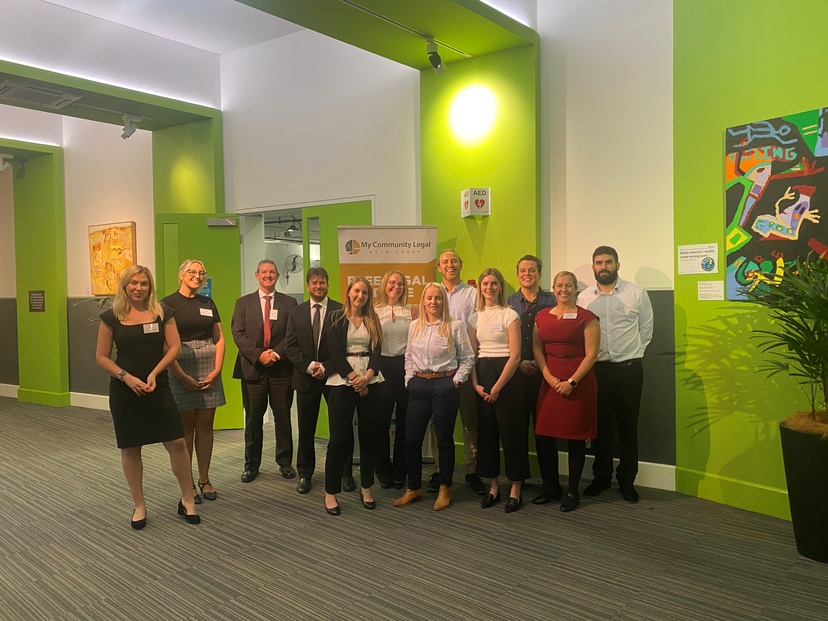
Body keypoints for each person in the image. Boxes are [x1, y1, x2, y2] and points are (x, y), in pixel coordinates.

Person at [95, 265, 200, 528]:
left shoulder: (162, 313)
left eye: (143, 284)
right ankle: (139, 505)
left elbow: (174, 348)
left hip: (158, 386)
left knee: (177, 443)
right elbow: (101, 357)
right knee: (130, 448)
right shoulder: (111, 317)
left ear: (149, 286)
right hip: (124, 390)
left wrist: (154, 373)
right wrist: (126, 377)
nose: (138, 288)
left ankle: (188, 499)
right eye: (133, 283)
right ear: (125, 286)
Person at [578, 246, 654, 502]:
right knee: (600, 428)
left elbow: (646, 329)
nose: (603, 267)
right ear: (593, 267)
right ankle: (601, 478)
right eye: (598, 262)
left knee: (628, 427)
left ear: (617, 265)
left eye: (608, 262)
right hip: (597, 371)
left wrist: (633, 353)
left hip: (629, 371)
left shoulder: (636, 293)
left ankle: (626, 480)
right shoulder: (584, 298)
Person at [395, 283, 474, 511]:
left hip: (444, 385)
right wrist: (409, 378)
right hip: (418, 385)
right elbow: (408, 355)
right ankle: (414, 487)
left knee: (444, 439)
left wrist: (456, 381)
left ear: (444, 301)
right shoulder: (414, 326)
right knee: (411, 439)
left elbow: (467, 358)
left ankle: (445, 487)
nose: (433, 302)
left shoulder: (455, 326)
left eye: (438, 298)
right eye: (429, 298)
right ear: (423, 301)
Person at [533, 270, 600, 512]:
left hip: (578, 384)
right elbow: (538, 350)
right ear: (553, 288)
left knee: (576, 437)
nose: (564, 289)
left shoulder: (588, 318)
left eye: (569, 285)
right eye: (560, 285)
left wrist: (571, 382)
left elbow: (592, 354)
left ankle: (572, 490)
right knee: (543, 435)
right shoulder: (541, 316)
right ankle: (551, 487)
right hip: (549, 382)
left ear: (575, 289)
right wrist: (549, 378)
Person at [284, 267, 353, 495]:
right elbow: (290, 346)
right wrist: (308, 366)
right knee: (306, 429)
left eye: (322, 282)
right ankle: (305, 473)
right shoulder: (297, 312)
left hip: (334, 376)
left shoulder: (340, 311)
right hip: (305, 377)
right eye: (314, 283)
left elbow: (344, 348)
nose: (318, 286)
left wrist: (326, 367)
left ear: (328, 284)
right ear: (307, 286)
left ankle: (345, 473)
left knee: (340, 429)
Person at [162, 260, 226, 505]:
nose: (197, 276)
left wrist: (217, 369)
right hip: (181, 364)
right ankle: (187, 483)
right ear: (181, 274)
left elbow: (219, 339)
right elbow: (166, 344)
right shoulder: (167, 304)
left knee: (206, 424)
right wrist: (179, 375)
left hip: (209, 364)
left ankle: (205, 478)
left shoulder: (207, 302)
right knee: (186, 426)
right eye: (192, 272)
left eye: (201, 273)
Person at [322, 277, 385, 515]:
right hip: (342, 381)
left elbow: (378, 352)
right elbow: (335, 353)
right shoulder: (336, 318)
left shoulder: (373, 319)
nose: (361, 296)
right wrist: (353, 378)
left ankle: (366, 487)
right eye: (357, 291)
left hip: (371, 381)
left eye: (365, 293)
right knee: (339, 439)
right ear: (348, 293)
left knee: (369, 437)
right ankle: (330, 492)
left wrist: (366, 378)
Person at [231, 259, 297, 483]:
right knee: (253, 421)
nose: (268, 275)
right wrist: (259, 355)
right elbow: (238, 334)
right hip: (253, 369)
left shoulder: (290, 303)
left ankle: (285, 462)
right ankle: (251, 465)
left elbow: (292, 334)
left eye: (272, 272)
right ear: (256, 275)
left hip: (282, 371)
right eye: (264, 272)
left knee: (283, 419)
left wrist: (276, 354)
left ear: (277, 276)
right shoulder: (243, 303)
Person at [468, 268, 527, 512]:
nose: (489, 288)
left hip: (508, 377)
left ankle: (515, 488)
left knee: (512, 434)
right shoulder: (474, 318)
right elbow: (471, 355)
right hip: (482, 374)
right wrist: (475, 384)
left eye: (494, 283)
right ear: (480, 288)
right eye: (485, 283)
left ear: (501, 287)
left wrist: (497, 387)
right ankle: (493, 486)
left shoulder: (510, 315)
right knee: (488, 434)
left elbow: (515, 356)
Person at [429, 249, 484, 494]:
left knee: (470, 421)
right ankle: (440, 471)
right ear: (439, 268)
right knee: (439, 425)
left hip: (467, 366)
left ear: (460, 265)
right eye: (444, 262)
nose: (449, 265)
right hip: (438, 371)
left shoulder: (473, 294)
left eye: (453, 261)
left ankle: (472, 471)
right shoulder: (433, 293)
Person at [507, 255, 558, 504]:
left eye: (532, 270)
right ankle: (518, 481)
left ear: (540, 274)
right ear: (517, 275)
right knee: (517, 431)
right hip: (515, 376)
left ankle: (551, 485)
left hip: (545, 375)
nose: (527, 274)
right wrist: (517, 363)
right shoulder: (508, 302)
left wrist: (540, 364)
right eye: (523, 270)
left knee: (545, 432)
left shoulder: (554, 300)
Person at [374, 269, 418, 489]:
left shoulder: (413, 311)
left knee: (405, 422)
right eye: (392, 282)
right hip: (381, 368)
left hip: (405, 366)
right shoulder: (373, 311)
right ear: (384, 285)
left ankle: (401, 469)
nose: (396, 287)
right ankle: (382, 468)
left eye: (400, 283)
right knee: (381, 421)